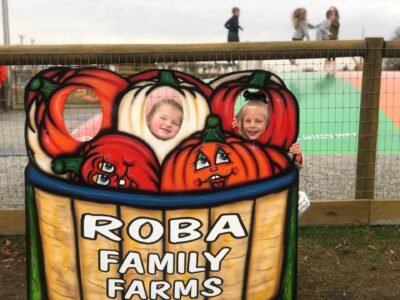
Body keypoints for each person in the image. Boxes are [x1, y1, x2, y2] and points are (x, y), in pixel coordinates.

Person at [232, 91, 310, 215]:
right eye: (247, 121)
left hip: (270, 192)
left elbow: (293, 169)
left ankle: (281, 228)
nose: (252, 125)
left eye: (258, 121)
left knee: (302, 199)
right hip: (245, 194)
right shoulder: (238, 141)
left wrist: (297, 155)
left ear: (269, 123)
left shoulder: (278, 143)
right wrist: (233, 132)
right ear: (241, 122)